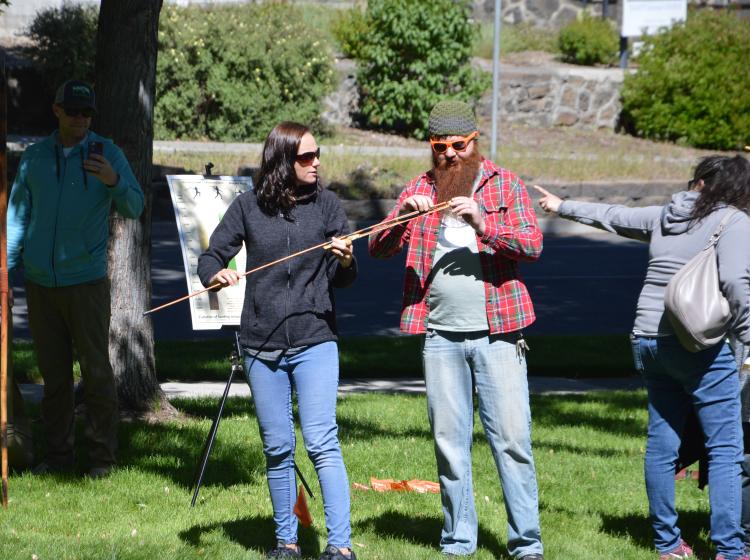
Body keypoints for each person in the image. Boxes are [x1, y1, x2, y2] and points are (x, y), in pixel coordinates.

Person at [535, 154, 750, 560]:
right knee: (724, 446)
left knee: (662, 441)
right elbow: (738, 283)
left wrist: (562, 206)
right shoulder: (735, 222)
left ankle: (667, 544)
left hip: (646, 339)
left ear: (700, 182)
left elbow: (614, 216)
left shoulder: (666, 215)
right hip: (696, 342)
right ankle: (730, 548)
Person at [368, 101, 545, 559]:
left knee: (512, 442)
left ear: (474, 141)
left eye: (458, 145)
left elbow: (531, 243)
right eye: (440, 147)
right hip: (440, 337)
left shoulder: (503, 183)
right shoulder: (421, 188)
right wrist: (402, 214)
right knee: (450, 445)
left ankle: (526, 543)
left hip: (499, 333)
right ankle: (458, 539)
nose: (449, 155)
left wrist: (485, 223)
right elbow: (377, 248)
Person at [197, 122, 358, 560]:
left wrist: (345, 260)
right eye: (306, 157)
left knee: (321, 441)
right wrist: (214, 273)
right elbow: (211, 254)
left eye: (317, 154)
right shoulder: (249, 206)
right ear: (282, 161)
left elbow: (344, 279)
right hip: (260, 345)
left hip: (315, 340)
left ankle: (340, 547)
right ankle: (286, 542)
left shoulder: (327, 206)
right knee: (277, 447)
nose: (316, 163)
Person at [6, 79, 144, 478]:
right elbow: (18, 220)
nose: (81, 119)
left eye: (87, 113)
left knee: (97, 372)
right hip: (39, 284)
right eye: (73, 111)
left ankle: (102, 458)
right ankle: (59, 456)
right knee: (54, 378)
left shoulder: (108, 154)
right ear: (57, 111)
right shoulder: (34, 159)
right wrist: (6, 272)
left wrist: (112, 181)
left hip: (85, 283)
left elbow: (134, 205)